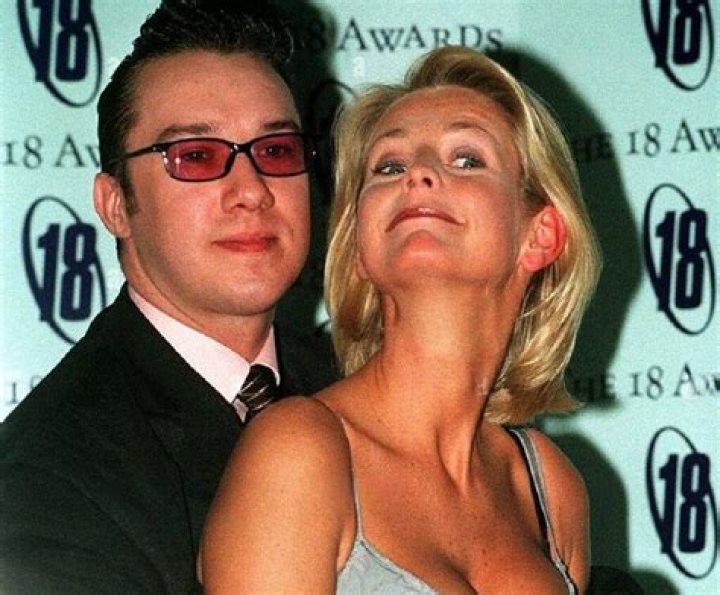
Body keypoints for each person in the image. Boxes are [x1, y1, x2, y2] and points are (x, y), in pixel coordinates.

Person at [201, 45, 601, 593]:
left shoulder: (549, 488)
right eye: (389, 166)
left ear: (541, 236)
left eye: (467, 158)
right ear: (359, 247)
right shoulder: (299, 450)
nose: (418, 175)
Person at [0, 0, 335, 592]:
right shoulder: (48, 482)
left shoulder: (356, 389)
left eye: (275, 151)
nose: (251, 190)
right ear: (115, 204)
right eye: (197, 157)